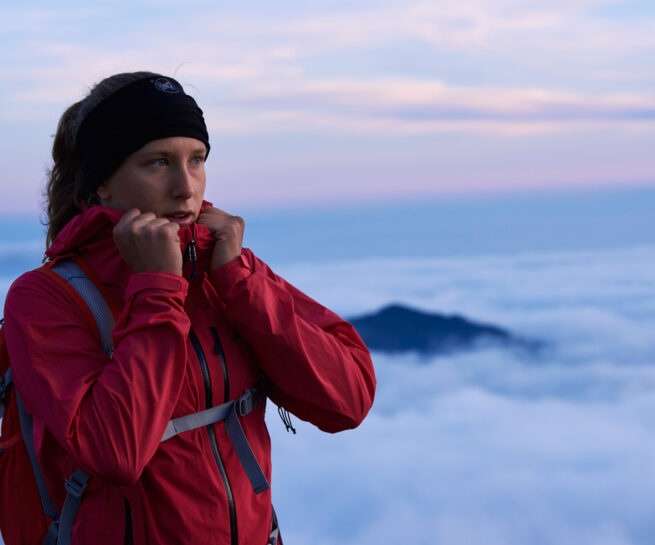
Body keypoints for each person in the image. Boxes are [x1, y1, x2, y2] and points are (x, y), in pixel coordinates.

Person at [3, 72, 376, 544]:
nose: (185, 187)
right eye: (158, 163)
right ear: (102, 184)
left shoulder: (225, 267)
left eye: (196, 159)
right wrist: (156, 286)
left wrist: (241, 284)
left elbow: (348, 400)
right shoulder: (46, 298)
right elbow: (115, 452)